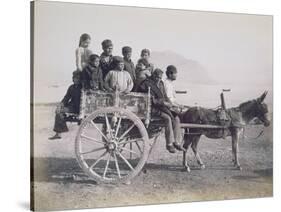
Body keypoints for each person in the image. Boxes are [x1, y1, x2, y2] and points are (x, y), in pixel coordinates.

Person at [137, 69, 182, 153]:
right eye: (157, 77)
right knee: (168, 118)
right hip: (152, 108)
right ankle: (169, 144)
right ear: (153, 75)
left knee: (176, 117)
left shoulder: (161, 83)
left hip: (161, 106)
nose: (158, 79)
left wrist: (169, 103)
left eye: (160, 77)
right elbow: (152, 100)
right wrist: (164, 103)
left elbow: (164, 95)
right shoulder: (147, 84)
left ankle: (177, 142)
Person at [49, 71, 82, 140]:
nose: (76, 80)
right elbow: (66, 98)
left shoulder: (83, 88)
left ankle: (59, 132)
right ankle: (58, 133)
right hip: (71, 107)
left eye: (78, 78)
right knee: (58, 110)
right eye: (75, 78)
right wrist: (61, 104)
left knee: (60, 111)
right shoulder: (71, 87)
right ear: (73, 79)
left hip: (79, 108)